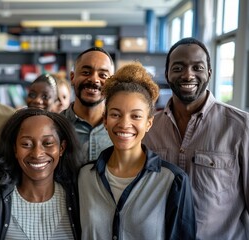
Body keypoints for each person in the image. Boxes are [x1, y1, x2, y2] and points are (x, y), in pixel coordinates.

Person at [143, 37, 249, 239]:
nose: (187, 74)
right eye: (178, 68)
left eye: (197, 67)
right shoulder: (149, 128)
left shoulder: (242, 127)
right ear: (167, 74)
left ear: (209, 73)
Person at [78, 62, 196, 239]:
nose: (124, 124)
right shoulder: (84, 176)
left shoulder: (173, 180)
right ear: (105, 120)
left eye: (136, 116)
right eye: (115, 114)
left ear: (149, 123)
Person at [0, 108, 82, 240]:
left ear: (61, 148)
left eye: (47, 143)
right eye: (26, 144)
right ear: (15, 149)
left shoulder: (79, 197)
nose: (37, 154)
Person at [61, 47, 114, 165]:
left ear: (112, 82)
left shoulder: (120, 129)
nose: (94, 79)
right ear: (72, 77)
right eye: (86, 72)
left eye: (103, 75)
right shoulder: (56, 126)